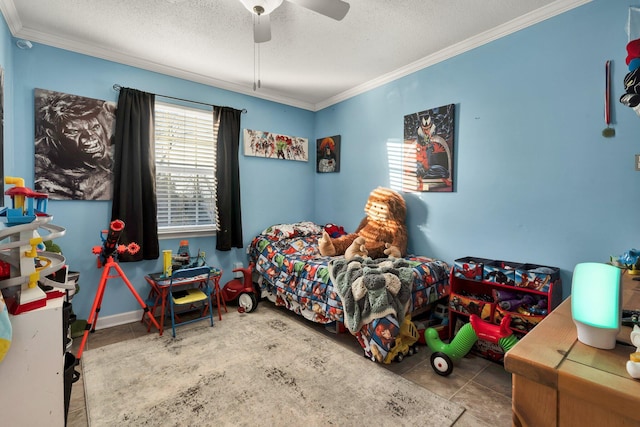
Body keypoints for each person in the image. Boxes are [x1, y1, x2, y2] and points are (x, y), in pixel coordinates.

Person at [34, 90, 116, 200]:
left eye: (94, 128)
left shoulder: (113, 158)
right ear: (52, 134)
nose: (90, 138)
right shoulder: (42, 172)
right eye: (74, 132)